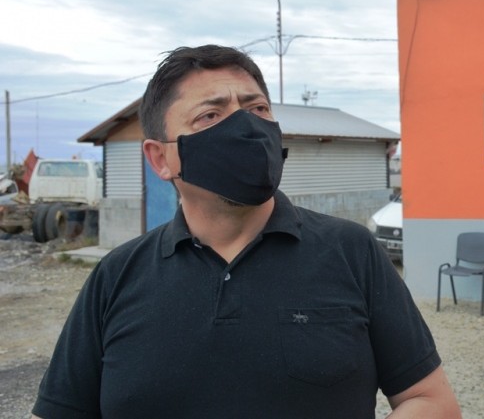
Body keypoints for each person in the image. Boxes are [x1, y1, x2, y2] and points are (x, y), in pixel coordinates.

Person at [31, 45, 461, 418]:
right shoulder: (116, 275)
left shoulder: (351, 251)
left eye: (257, 109)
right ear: (160, 159)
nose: (247, 127)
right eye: (211, 114)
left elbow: (432, 400)